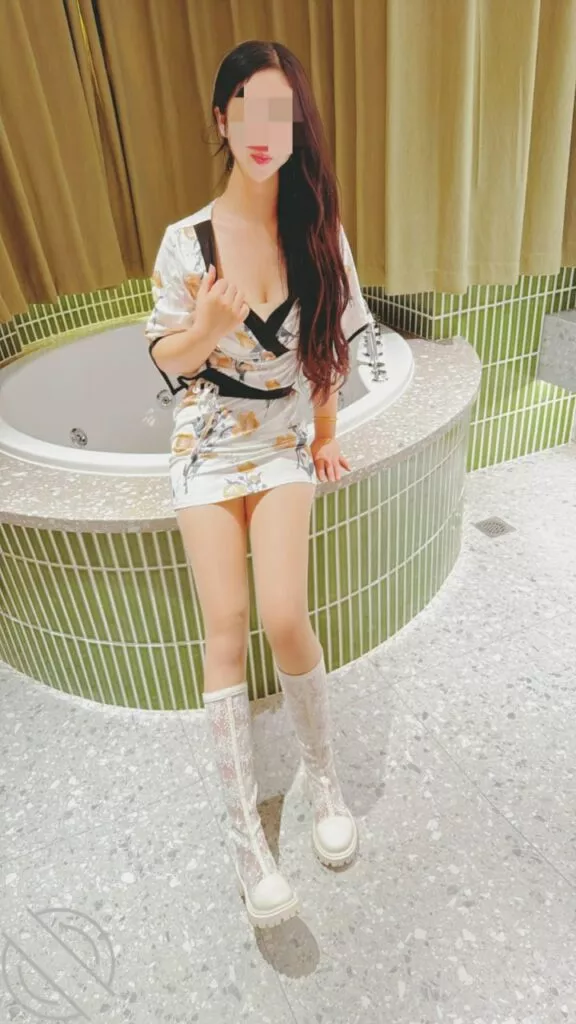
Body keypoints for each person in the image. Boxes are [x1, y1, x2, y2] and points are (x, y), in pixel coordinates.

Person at [145, 40, 373, 930]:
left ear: (296, 125)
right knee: (227, 625)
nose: (263, 126)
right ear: (223, 119)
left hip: (280, 441)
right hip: (205, 442)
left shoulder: (318, 233)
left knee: (282, 613)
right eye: (247, 105)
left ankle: (324, 779)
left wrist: (326, 434)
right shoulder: (186, 242)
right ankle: (246, 839)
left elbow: (328, 349)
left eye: (281, 109)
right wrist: (205, 323)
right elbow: (170, 361)